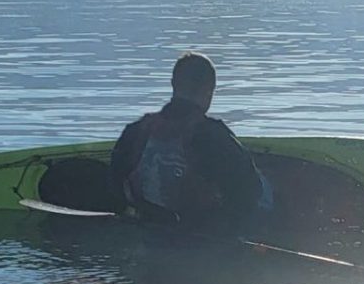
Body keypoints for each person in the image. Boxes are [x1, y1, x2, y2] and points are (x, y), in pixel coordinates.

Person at [109, 52, 269, 234]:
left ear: (173, 84)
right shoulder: (214, 136)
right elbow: (250, 192)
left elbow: (115, 188)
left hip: (147, 233)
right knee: (267, 193)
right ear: (210, 89)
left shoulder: (135, 132)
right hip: (200, 241)